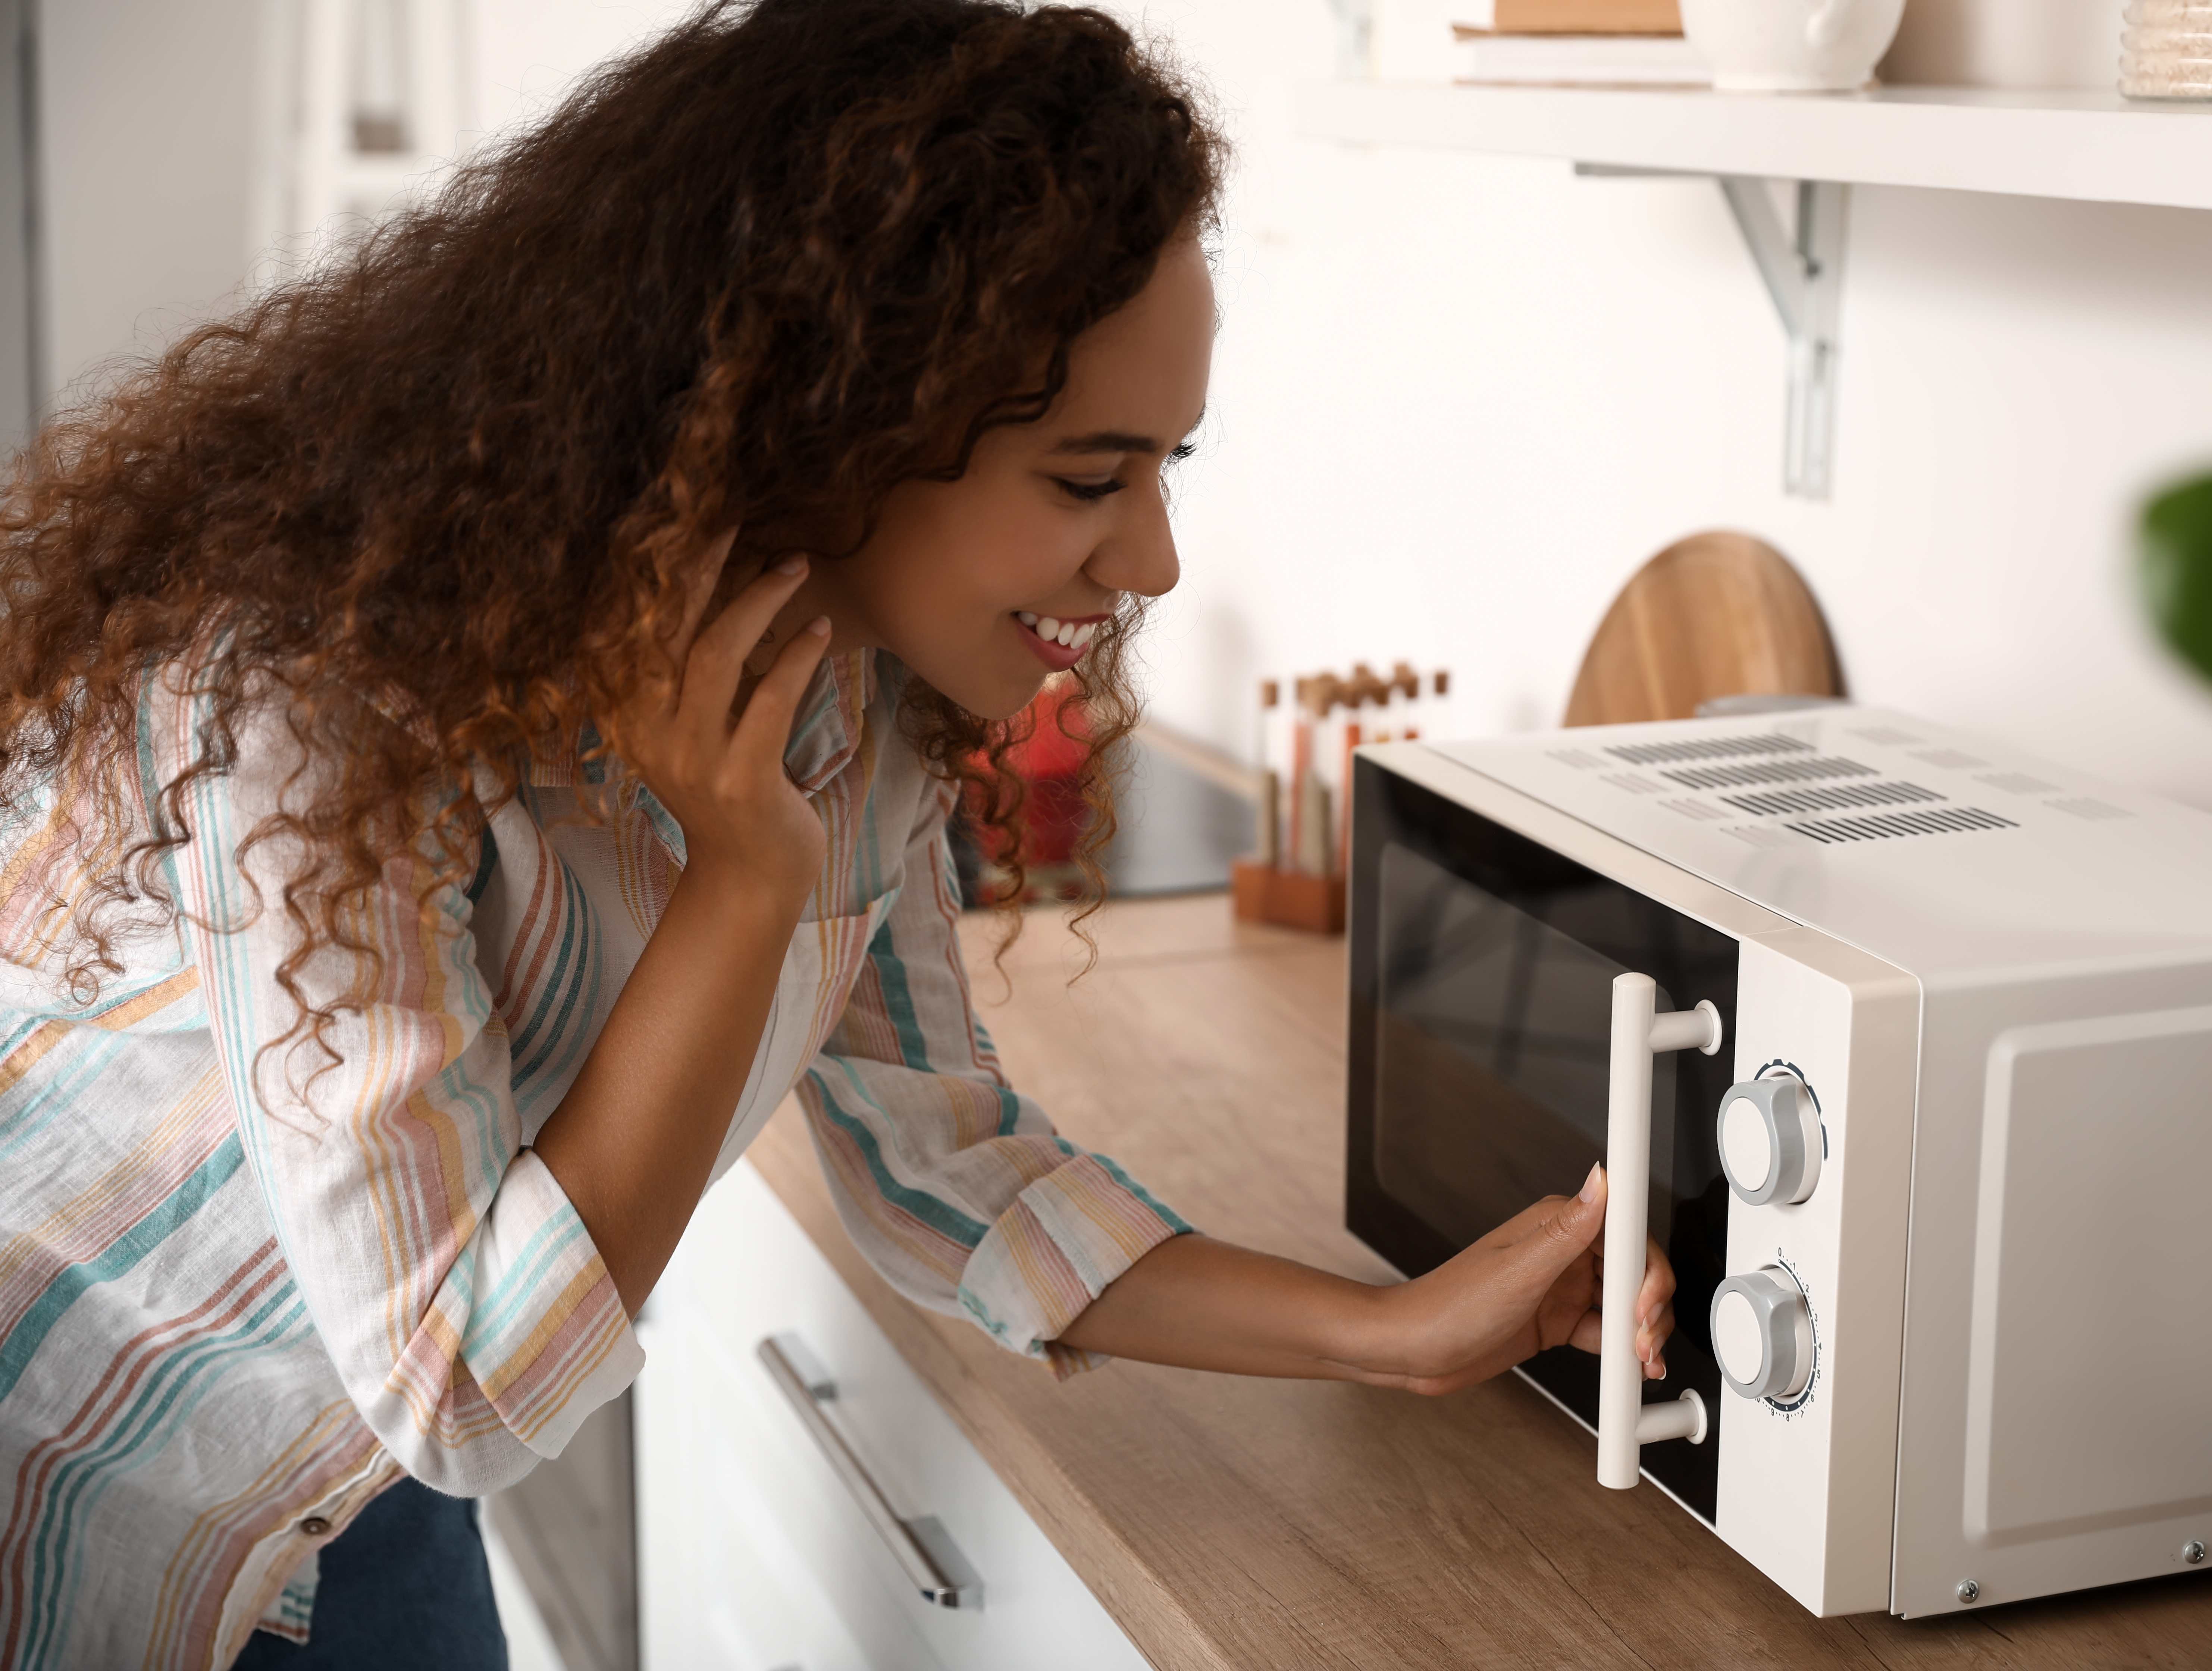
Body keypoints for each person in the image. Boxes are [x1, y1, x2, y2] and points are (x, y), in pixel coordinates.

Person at [0, 3, 1677, 1666]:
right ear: (832, 425)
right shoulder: (321, 709)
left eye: (1168, 464)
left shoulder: (849, 712)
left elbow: (942, 1157)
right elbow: (464, 1385)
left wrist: (1390, 1335)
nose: (1157, 560)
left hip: (336, 1477)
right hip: (80, 1484)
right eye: (1092, 478)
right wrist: (742, 885)